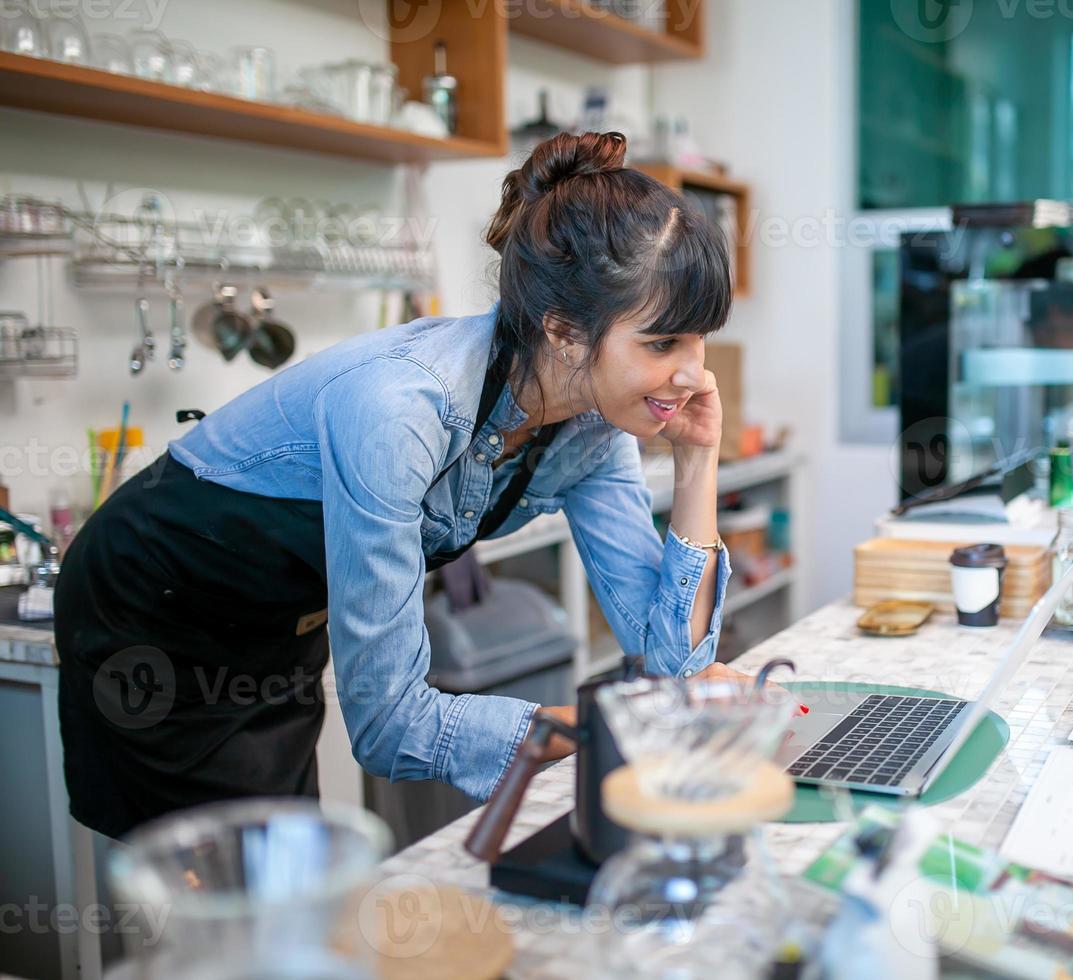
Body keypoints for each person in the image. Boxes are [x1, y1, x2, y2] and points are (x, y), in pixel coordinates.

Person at [54, 131, 745, 839]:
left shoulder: (593, 429)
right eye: (663, 344)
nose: (695, 374)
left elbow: (672, 664)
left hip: (282, 616)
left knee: (282, 862)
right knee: (209, 881)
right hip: (157, 605)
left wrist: (697, 462)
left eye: (700, 339)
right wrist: (608, 728)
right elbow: (391, 726)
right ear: (565, 331)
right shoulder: (401, 408)